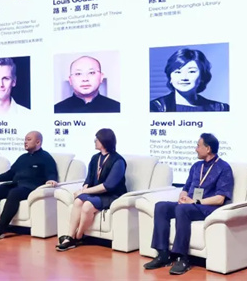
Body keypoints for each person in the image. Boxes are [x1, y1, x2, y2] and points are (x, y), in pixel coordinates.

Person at [144, 133, 234, 275]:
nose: (195, 149)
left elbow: (220, 199)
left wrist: (195, 201)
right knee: (161, 206)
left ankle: (183, 258)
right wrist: (183, 197)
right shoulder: (196, 166)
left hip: (207, 208)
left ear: (208, 149)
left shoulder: (223, 168)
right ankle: (163, 255)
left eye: (198, 146)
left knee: (182, 210)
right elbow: (186, 188)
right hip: (190, 205)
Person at [0, 131, 58, 241]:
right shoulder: (22, 157)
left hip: (30, 188)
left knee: (14, 193)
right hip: (16, 184)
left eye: (29, 139)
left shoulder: (46, 157)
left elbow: (51, 173)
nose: (25, 142)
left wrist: (51, 180)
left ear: (38, 142)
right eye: (25, 139)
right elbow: (10, 173)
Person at [56, 128, 127, 251]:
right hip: (96, 194)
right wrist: (84, 190)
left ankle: (78, 236)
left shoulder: (118, 161)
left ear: (105, 141)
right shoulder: (95, 158)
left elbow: (108, 186)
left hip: (111, 195)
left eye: (97, 139)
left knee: (87, 205)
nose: (95, 141)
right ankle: (69, 236)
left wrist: (84, 192)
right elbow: (88, 180)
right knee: (78, 201)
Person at [150, 49, 229, 112]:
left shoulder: (221, 109)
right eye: (178, 72)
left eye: (191, 71)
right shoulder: (156, 107)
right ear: (170, 77)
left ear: (202, 76)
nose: (184, 77)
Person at [54, 56, 120, 113]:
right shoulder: (56, 109)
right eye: (78, 74)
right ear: (70, 80)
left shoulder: (117, 107)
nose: (85, 79)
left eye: (91, 73)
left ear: (101, 77)